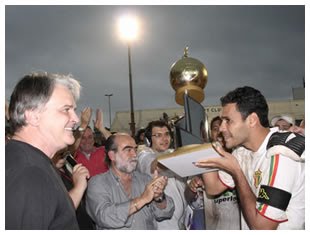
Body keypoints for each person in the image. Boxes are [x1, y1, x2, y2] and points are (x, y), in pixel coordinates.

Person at [195, 86, 305, 230]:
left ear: (252, 120)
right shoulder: (242, 151)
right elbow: (213, 188)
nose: (221, 128)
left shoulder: (281, 155)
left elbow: (262, 228)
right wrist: (207, 151)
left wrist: (237, 173)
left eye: (228, 120)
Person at [5, 72, 84, 229]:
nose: (75, 118)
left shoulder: (29, 161)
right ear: (33, 116)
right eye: (66, 109)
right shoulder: (30, 173)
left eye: (74, 110)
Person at [86, 133, 175, 229]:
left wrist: (159, 197)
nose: (134, 154)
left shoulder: (145, 179)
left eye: (135, 149)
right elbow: (105, 217)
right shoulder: (97, 183)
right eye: (128, 150)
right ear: (112, 156)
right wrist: (142, 199)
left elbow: (166, 213)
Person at [185, 116, 241, 230]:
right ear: (210, 133)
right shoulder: (202, 160)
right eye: (216, 128)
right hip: (214, 226)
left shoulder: (240, 157)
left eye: (223, 127)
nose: (220, 131)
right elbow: (187, 197)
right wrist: (192, 187)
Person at [137, 120, 188, 230]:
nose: (164, 139)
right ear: (148, 140)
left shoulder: (173, 153)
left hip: (182, 223)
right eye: (158, 135)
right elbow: (154, 165)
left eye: (167, 134)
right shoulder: (143, 154)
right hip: (162, 224)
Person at [52, 150, 94, 229]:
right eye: (59, 154)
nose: (62, 157)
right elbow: (60, 212)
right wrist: (78, 186)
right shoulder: (47, 174)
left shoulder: (67, 167)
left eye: (65, 153)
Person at [74, 108, 111, 177]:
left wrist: (101, 128)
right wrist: (83, 125)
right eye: (83, 138)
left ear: (94, 138)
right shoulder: (73, 156)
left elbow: (117, 144)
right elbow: (72, 147)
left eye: (90, 137)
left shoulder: (103, 151)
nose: (87, 141)